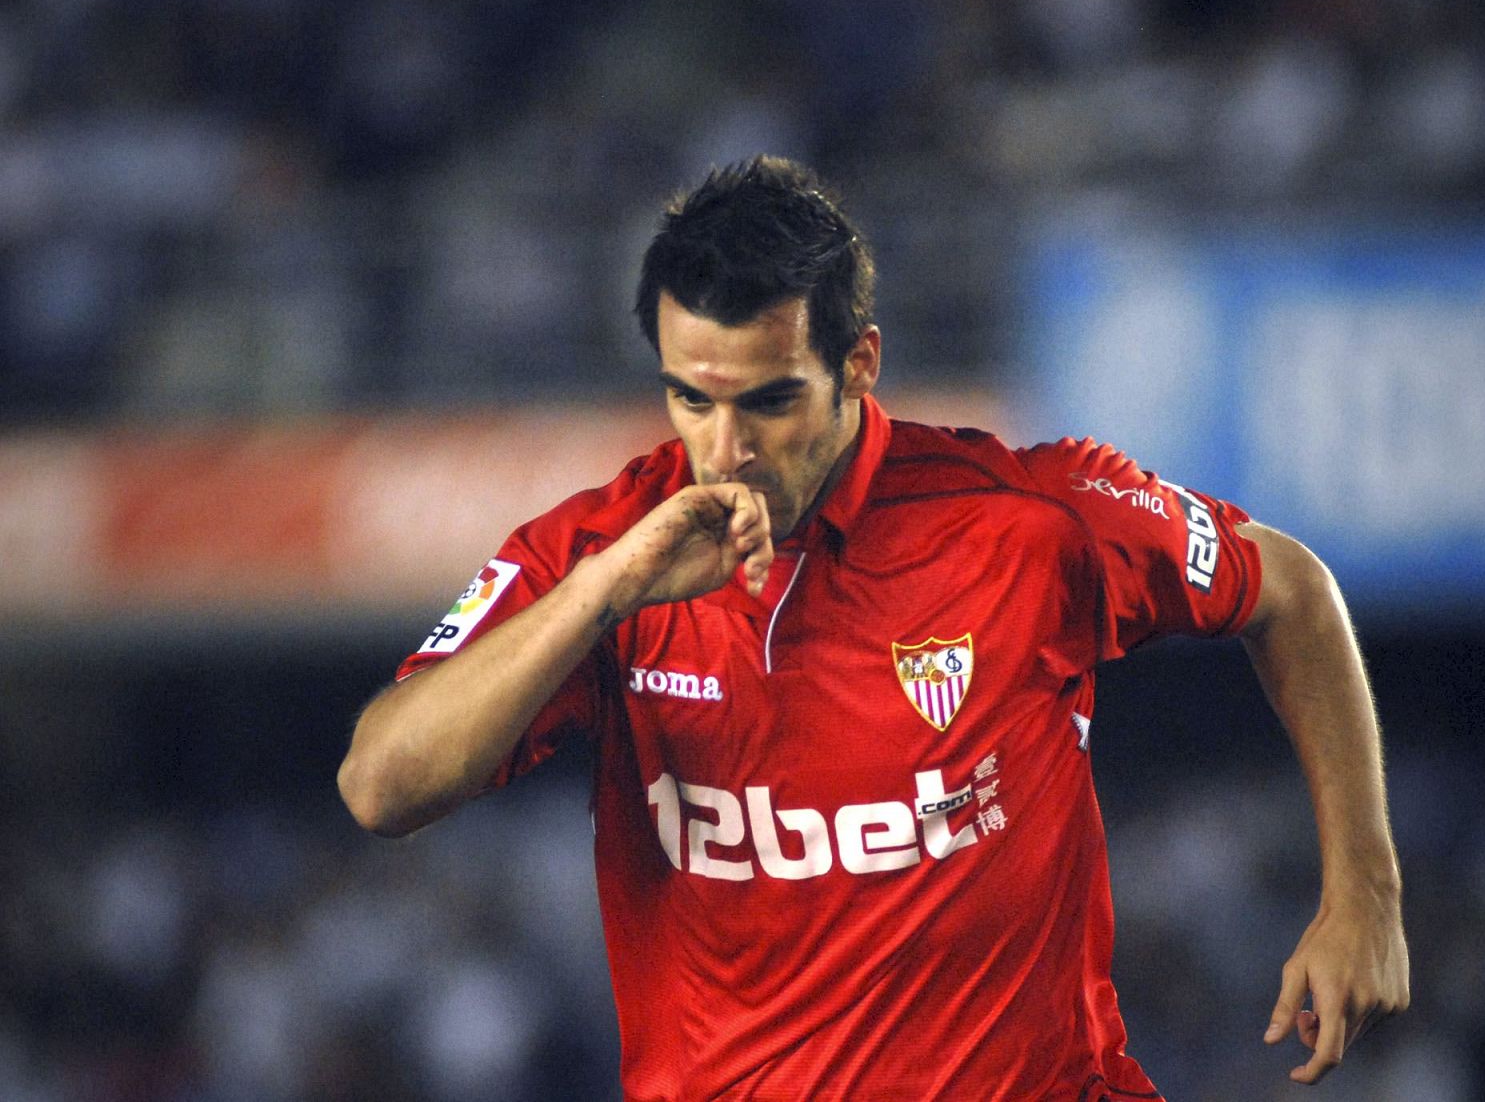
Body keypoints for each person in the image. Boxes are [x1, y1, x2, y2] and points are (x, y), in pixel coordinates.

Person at [338, 156, 1409, 1099]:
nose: (724, 449)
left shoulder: (1030, 521)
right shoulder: (606, 554)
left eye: (767, 401)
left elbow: (1292, 590)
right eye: (689, 400)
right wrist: (602, 594)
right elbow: (381, 785)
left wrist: (1361, 887)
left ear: (859, 364)